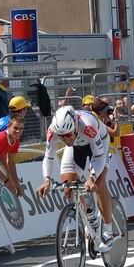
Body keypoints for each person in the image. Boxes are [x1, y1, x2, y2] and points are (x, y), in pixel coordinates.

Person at [36, 106, 116, 252]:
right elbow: (48, 157)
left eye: (68, 135)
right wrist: (46, 179)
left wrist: (92, 177)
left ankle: (108, 231)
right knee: (68, 188)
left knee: (99, 182)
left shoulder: (87, 126)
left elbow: (99, 156)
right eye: (62, 137)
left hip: (98, 144)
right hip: (76, 147)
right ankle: (90, 216)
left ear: (74, 126)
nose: (65, 139)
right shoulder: (54, 131)